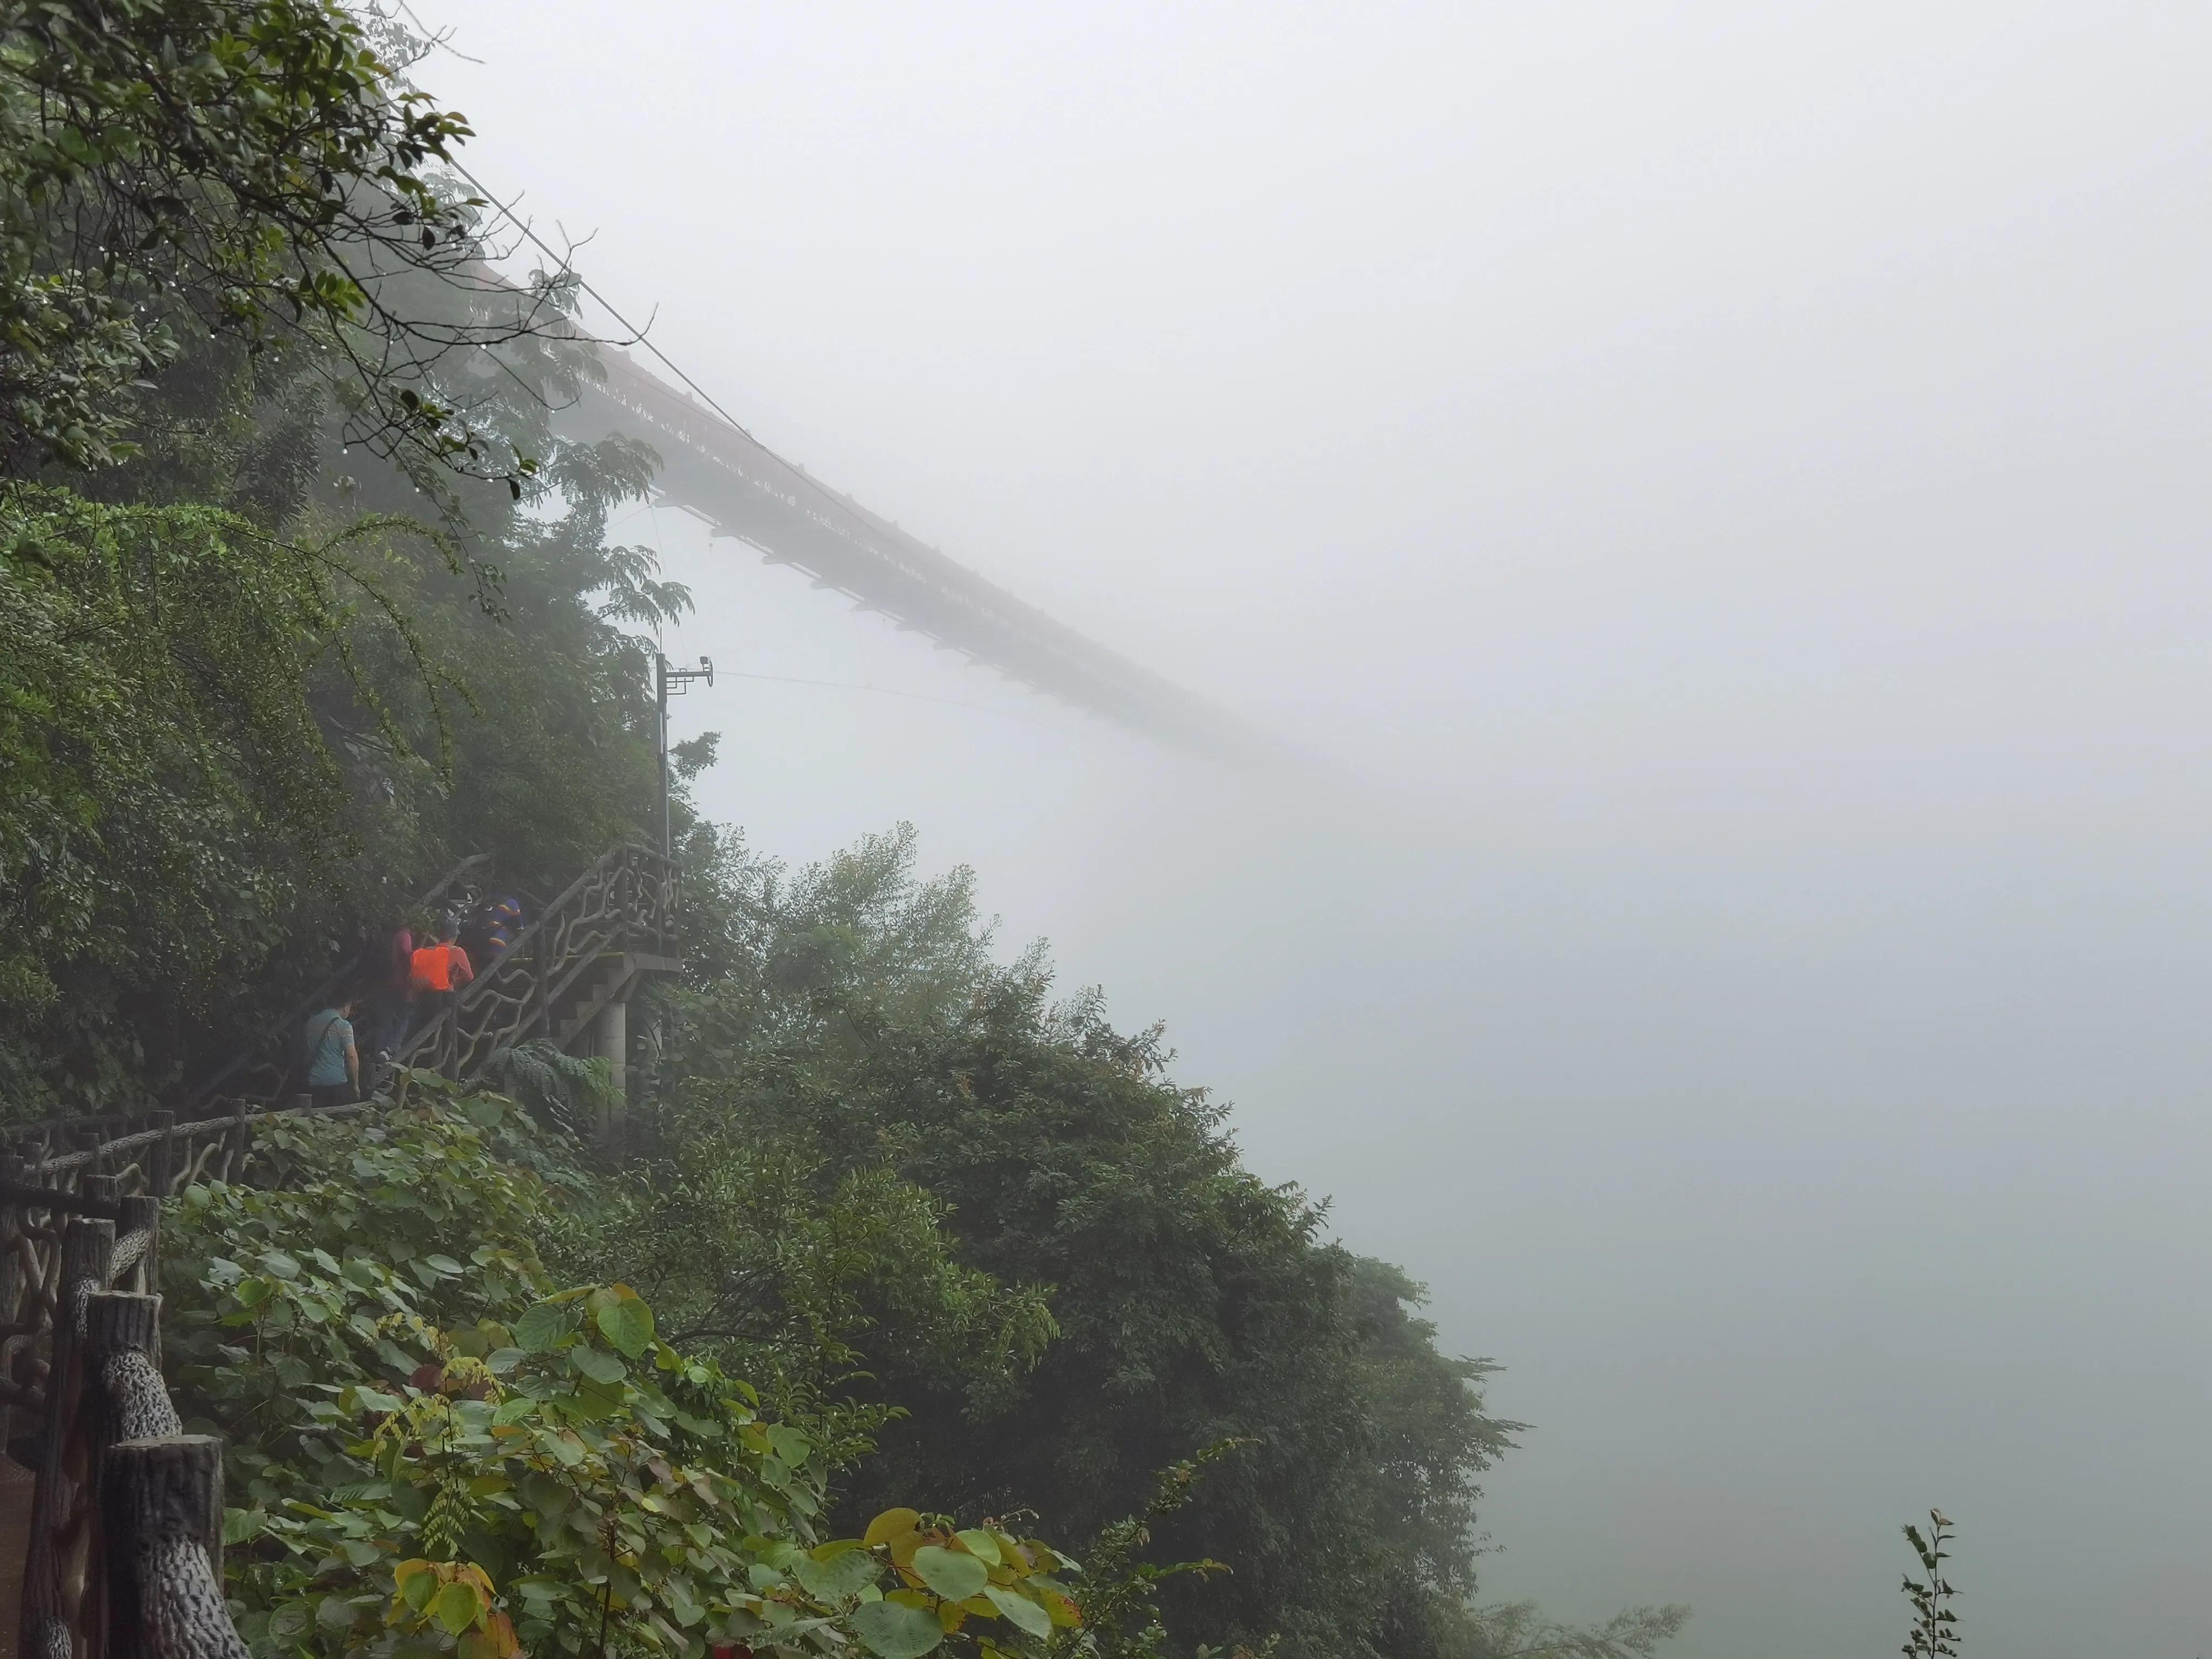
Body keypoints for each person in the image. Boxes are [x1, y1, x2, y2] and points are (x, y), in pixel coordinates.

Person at [409, 916, 474, 1034]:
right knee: (445, 1032)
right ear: (454, 936)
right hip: (445, 996)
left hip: (424, 994)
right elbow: (469, 977)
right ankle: (446, 1051)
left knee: (425, 1030)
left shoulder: (429, 950)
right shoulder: (457, 951)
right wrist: (455, 980)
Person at [302, 994, 360, 1109]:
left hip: (313, 1081)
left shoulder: (311, 1022)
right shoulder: (343, 1025)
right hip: (336, 1083)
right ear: (346, 1006)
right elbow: (351, 1055)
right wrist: (355, 1085)